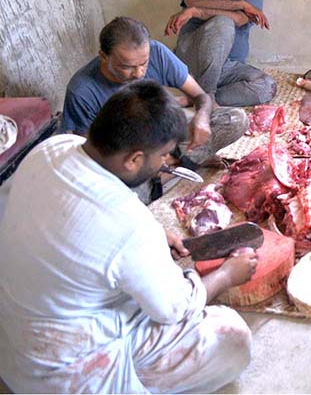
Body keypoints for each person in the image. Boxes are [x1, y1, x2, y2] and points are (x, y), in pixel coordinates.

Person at [0, 81, 258, 393]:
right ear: (134, 159)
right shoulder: (129, 226)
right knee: (232, 337)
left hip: (12, 347)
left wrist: (149, 235)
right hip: (64, 373)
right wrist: (227, 275)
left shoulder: (52, 147)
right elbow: (174, 309)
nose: (164, 163)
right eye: (162, 156)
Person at [62, 16, 248, 178]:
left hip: (164, 136)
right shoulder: (81, 91)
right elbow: (91, 158)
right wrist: (143, 163)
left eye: (144, 63)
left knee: (235, 119)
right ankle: (180, 165)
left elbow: (201, 96)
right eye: (126, 67)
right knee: (123, 190)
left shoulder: (157, 52)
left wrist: (202, 118)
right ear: (104, 57)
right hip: (129, 156)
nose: (139, 73)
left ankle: (173, 166)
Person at [165, 0, 277, 106]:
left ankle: (197, 97)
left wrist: (198, 12)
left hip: (228, 68)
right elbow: (193, 2)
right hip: (193, 61)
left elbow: (239, 19)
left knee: (267, 86)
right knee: (223, 22)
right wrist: (241, 4)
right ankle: (207, 96)